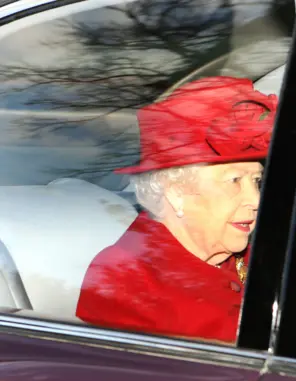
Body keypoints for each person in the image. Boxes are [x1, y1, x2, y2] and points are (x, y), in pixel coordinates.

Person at [76, 76, 277, 343]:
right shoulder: (125, 281)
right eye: (234, 181)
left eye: (256, 181)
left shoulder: (256, 254)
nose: (256, 200)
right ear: (175, 191)